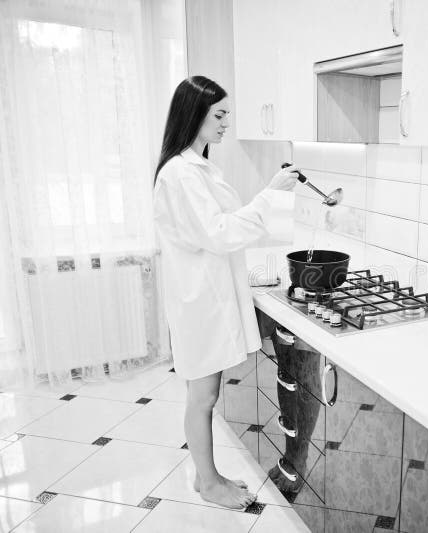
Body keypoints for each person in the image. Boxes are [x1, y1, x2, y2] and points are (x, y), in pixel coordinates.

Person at [152, 76, 298, 509]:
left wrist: (266, 199)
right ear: (193, 114)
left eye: (226, 115)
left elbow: (220, 228)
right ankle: (209, 482)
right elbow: (217, 233)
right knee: (203, 397)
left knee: (205, 395)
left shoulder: (197, 166)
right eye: (219, 115)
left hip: (205, 295)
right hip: (199, 302)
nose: (225, 123)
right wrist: (270, 196)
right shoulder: (180, 173)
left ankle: (206, 477)